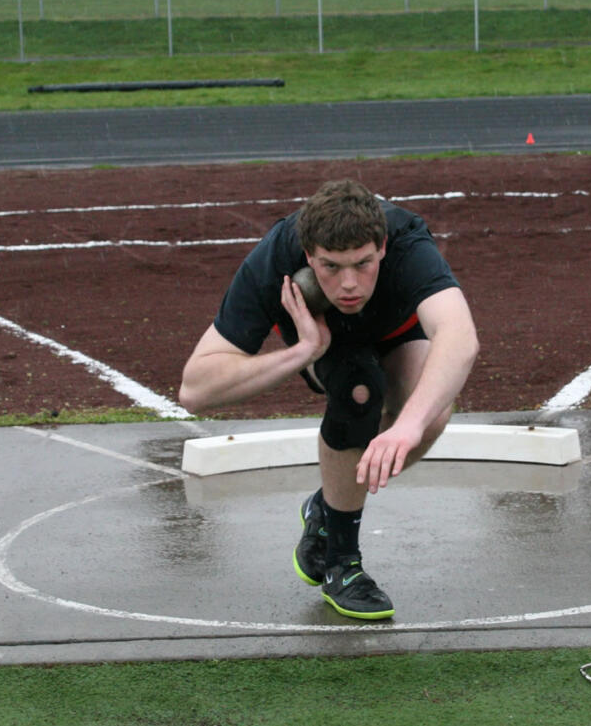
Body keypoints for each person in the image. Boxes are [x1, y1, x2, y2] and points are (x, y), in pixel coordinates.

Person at [178, 179, 478, 620]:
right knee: (360, 389)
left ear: (382, 246)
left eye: (363, 263)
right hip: (326, 343)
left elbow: (460, 337)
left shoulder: (409, 242)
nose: (349, 284)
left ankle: (326, 506)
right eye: (331, 267)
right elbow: (195, 389)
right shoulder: (276, 257)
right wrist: (302, 351)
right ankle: (342, 564)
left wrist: (409, 425)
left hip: (396, 336)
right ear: (307, 255)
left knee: (432, 407)